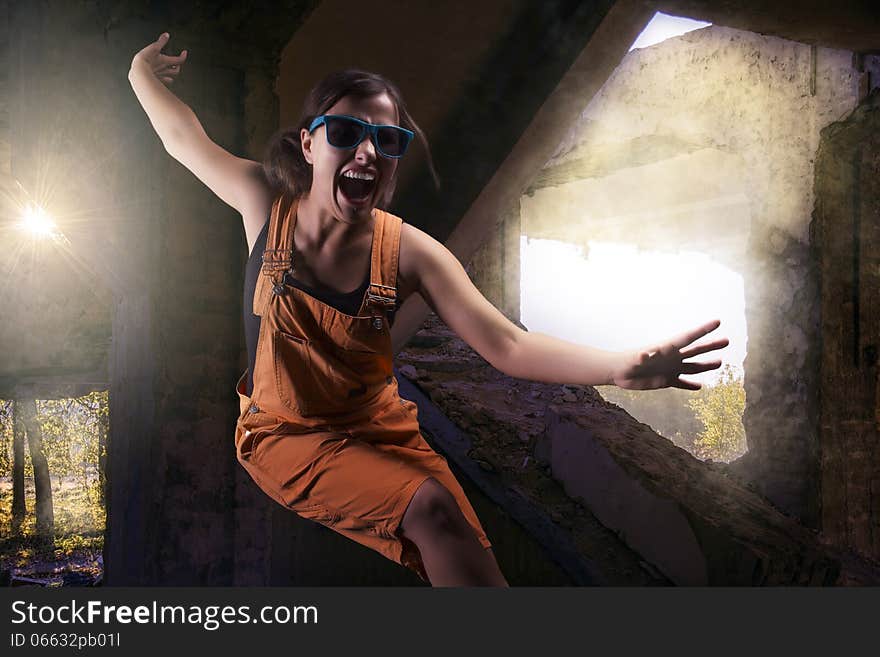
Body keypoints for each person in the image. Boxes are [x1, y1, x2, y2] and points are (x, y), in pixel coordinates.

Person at [128, 33, 729, 587]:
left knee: (471, 558)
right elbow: (184, 138)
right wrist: (139, 74)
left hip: (381, 429)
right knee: (433, 510)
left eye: (386, 141)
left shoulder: (412, 253)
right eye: (345, 133)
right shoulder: (264, 204)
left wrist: (618, 367)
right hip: (286, 435)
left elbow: (507, 346)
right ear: (309, 144)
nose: (367, 151)